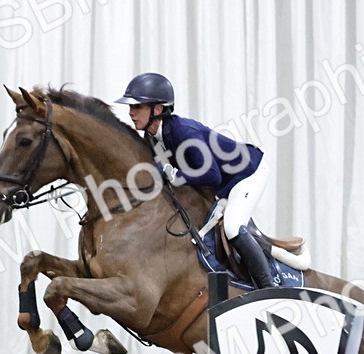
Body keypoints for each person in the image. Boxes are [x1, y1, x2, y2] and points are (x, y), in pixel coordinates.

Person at [116, 72, 276, 289]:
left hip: (248, 173)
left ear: (158, 109)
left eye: (137, 107)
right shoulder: (152, 138)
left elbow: (212, 175)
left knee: (232, 227)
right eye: (131, 107)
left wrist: (175, 175)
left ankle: (268, 288)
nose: (131, 113)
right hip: (224, 182)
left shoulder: (183, 131)